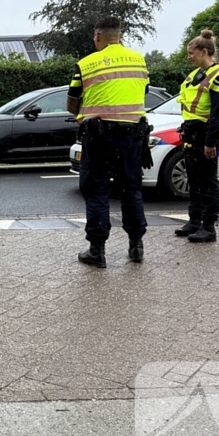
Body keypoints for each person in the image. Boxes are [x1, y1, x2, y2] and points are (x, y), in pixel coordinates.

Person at [67, 16, 150, 268]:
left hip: (99, 135)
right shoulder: (138, 60)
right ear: (120, 35)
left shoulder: (86, 64)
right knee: (131, 189)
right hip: (134, 135)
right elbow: (143, 92)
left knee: (96, 191)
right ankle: (136, 246)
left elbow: (72, 103)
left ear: (97, 36)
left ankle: (97, 250)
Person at [173, 30, 219, 243]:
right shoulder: (195, 74)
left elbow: (218, 113)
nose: (189, 56)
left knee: (208, 181)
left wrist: (211, 141)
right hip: (191, 131)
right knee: (194, 179)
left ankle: (209, 227)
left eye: (192, 53)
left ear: (204, 51)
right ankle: (194, 221)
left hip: (206, 132)